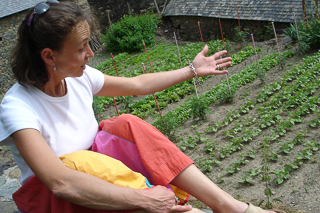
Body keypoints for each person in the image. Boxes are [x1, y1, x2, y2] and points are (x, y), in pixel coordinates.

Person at [0, 1, 284, 213]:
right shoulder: (18, 107)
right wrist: (144, 199)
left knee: (124, 124)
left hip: (101, 170)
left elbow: (136, 84)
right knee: (76, 162)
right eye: (81, 47)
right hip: (56, 196)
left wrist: (191, 70)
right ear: (49, 55)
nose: (90, 54)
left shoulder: (78, 77)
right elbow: (60, 182)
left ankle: (226, 205)